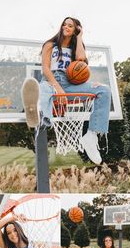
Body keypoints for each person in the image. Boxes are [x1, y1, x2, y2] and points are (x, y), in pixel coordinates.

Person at [21, 17, 111, 165]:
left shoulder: (76, 48)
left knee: (104, 90)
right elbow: (45, 69)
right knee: (43, 91)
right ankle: (38, 113)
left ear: (75, 30)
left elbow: (81, 60)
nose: (66, 26)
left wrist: (80, 36)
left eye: (70, 25)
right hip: (52, 81)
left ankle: (91, 135)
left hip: (71, 84)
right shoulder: (50, 45)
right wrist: (58, 88)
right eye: (64, 24)